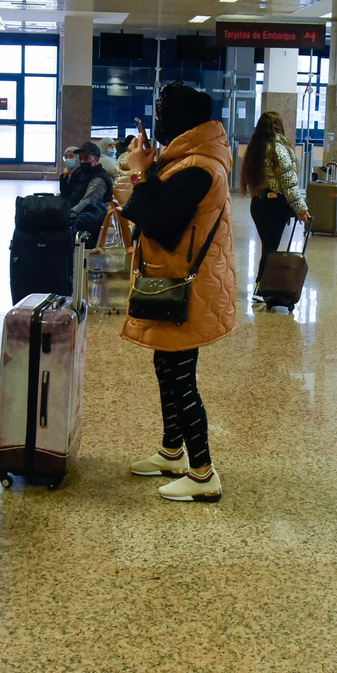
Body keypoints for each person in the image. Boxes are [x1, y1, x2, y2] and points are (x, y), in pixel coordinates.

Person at [121, 82, 236, 502]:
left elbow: (161, 223)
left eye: (165, 115)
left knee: (181, 376)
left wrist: (138, 172)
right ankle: (173, 451)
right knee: (166, 365)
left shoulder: (199, 166)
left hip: (189, 286)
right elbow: (163, 208)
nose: (158, 123)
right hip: (179, 279)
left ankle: (203, 473)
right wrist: (149, 170)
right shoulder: (188, 158)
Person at [243, 111, 309, 287]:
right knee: (271, 248)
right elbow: (288, 182)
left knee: (268, 246)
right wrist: (301, 209)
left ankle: (262, 284)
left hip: (258, 204)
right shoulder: (278, 148)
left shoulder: (255, 147)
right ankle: (262, 285)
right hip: (275, 205)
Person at [61, 141, 115, 247]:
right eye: (81, 158)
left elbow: (88, 201)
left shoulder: (100, 178)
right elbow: (66, 193)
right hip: (76, 210)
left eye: (86, 158)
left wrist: (69, 214)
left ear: (96, 159)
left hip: (90, 214)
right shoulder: (79, 172)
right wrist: (64, 178)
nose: (83, 161)